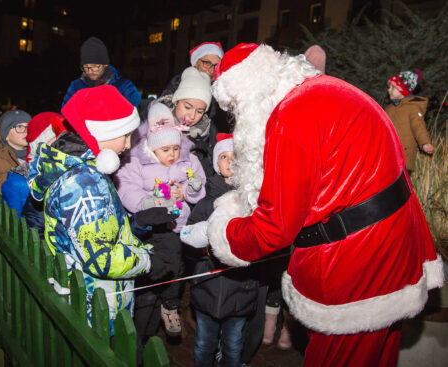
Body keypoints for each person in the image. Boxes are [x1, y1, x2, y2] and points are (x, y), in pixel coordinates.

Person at [185, 43, 444, 366]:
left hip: (356, 265)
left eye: (236, 107)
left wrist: (221, 232)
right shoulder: (328, 89)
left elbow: (273, 229)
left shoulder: (290, 115)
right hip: (393, 248)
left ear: (248, 93)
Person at [27, 85, 176, 336]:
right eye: (125, 136)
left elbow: (98, 229)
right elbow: (102, 258)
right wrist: (148, 262)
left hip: (90, 294)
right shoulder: (84, 183)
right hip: (94, 305)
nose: (129, 145)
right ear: (101, 133)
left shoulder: (84, 169)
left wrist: (134, 222)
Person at [114, 102, 206, 341]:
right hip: (149, 231)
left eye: (175, 148)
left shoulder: (186, 161)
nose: (172, 155)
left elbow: (197, 184)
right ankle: (142, 325)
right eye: (165, 150)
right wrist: (148, 202)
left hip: (176, 227)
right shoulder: (136, 162)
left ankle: (170, 305)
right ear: (151, 148)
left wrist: (187, 192)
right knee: (151, 274)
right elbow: (126, 187)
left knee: (175, 268)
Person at [181, 133, 258, 367]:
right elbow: (188, 239)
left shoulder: (253, 203)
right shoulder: (205, 203)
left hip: (240, 291)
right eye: (224, 156)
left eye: (236, 157)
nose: (230, 161)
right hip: (207, 290)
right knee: (205, 343)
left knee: (233, 344)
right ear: (217, 164)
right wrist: (206, 250)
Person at [148, 66, 217, 176]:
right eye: (187, 107)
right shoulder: (151, 122)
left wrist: (187, 190)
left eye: (199, 111)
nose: (192, 116)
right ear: (176, 101)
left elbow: (207, 177)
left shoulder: (206, 137)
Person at [61, 36, 141, 108]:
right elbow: (65, 113)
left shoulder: (123, 86)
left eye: (94, 67)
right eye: (85, 67)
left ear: (105, 65)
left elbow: (136, 108)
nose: (89, 71)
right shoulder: (76, 86)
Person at [385, 69, 434, 175]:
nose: (389, 90)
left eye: (393, 87)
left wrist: (425, 142)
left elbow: (418, 126)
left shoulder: (413, 108)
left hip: (404, 156)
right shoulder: (389, 108)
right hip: (388, 154)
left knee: (401, 186)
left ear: (403, 90)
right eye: (389, 87)